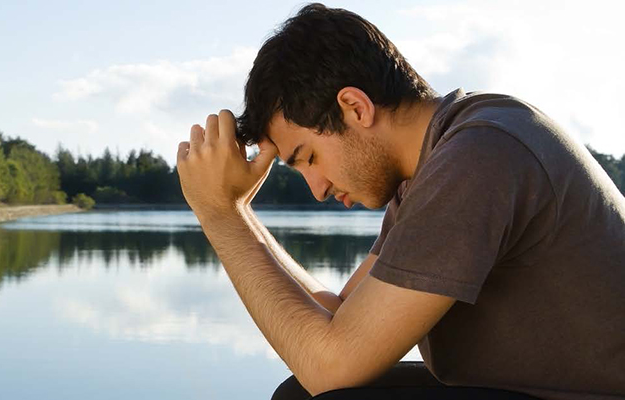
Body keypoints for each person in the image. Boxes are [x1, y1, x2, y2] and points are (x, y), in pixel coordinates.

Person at [174, 4, 625, 400]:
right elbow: (338, 315)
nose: (317, 188)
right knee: (301, 393)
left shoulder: (480, 155)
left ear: (355, 107)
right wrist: (238, 214)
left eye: (308, 157)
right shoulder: (432, 169)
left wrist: (221, 218)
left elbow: (331, 368)